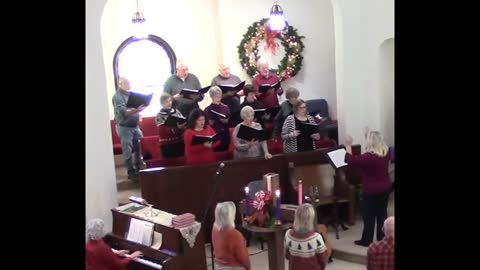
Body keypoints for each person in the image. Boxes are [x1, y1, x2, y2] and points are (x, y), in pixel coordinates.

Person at [344, 131, 392, 247]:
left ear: (370, 142)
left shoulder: (368, 157)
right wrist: (368, 133)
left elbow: (350, 160)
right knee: (382, 214)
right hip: (385, 187)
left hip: (371, 190)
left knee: (369, 216)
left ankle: (367, 240)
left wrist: (348, 145)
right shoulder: (386, 153)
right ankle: (382, 238)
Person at [112, 77, 145, 181]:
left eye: (129, 82)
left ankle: (139, 168)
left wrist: (139, 113)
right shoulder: (117, 96)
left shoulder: (130, 94)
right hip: (124, 127)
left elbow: (134, 106)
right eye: (127, 83)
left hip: (135, 126)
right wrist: (136, 110)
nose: (129, 84)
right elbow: (124, 112)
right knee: (127, 149)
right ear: (121, 84)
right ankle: (130, 171)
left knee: (140, 145)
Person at [284, 203, 328, 270]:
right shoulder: (316, 238)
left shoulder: (288, 234)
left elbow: (287, 256)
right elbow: (323, 260)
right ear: (311, 219)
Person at [212, 201, 251, 270]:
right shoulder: (235, 234)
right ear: (230, 216)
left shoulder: (214, 229)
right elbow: (244, 258)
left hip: (218, 266)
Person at [155, 93, 186, 158]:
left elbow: (182, 121)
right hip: (167, 145)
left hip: (179, 142)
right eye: (166, 102)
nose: (169, 103)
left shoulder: (176, 111)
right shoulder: (159, 115)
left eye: (170, 101)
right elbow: (162, 131)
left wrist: (183, 125)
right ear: (162, 104)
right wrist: (176, 128)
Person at [204, 86, 231, 152]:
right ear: (211, 97)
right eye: (216, 96)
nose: (218, 97)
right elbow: (208, 124)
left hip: (225, 132)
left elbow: (228, 120)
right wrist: (211, 121)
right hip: (214, 133)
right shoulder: (207, 109)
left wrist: (225, 120)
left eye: (219, 95)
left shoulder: (225, 107)